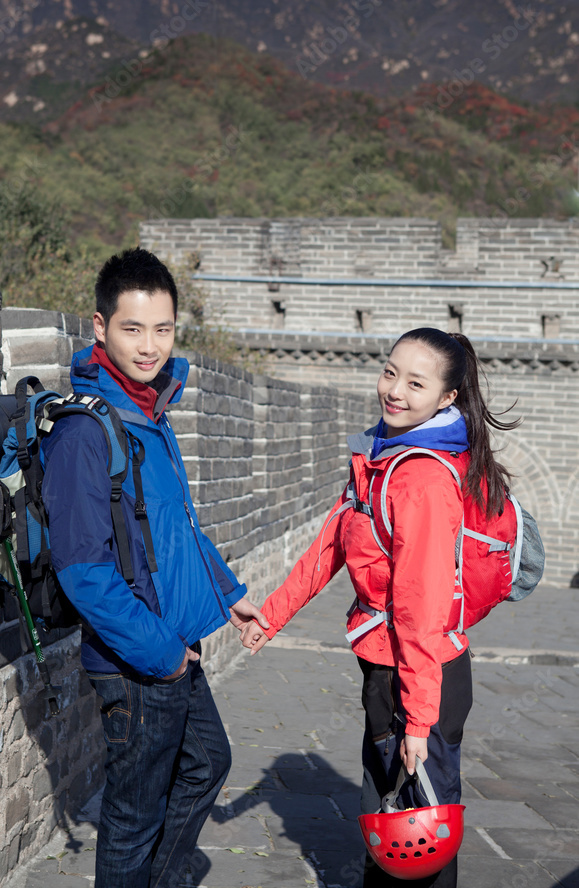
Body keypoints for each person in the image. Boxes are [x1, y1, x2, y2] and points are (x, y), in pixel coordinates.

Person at [240, 327, 519, 888]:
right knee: (390, 826)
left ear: (446, 399)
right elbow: (334, 541)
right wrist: (272, 614)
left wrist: (419, 719)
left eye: (416, 383)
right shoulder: (381, 455)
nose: (395, 390)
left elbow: (420, 610)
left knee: (417, 841)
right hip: (391, 673)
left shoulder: (418, 479)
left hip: (420, 677)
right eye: (391, 373)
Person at [41, 247, 269, 888]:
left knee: (206, 764)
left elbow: (176, 530)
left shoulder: (150, 413)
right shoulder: (87, 432)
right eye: (132, 328)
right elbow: (82, 570)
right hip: (136, 657)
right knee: (133, 815)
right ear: (99, 326)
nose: (150, 346)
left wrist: (230, 595)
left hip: (168, 645)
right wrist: (163, 654)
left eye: (163, 329)